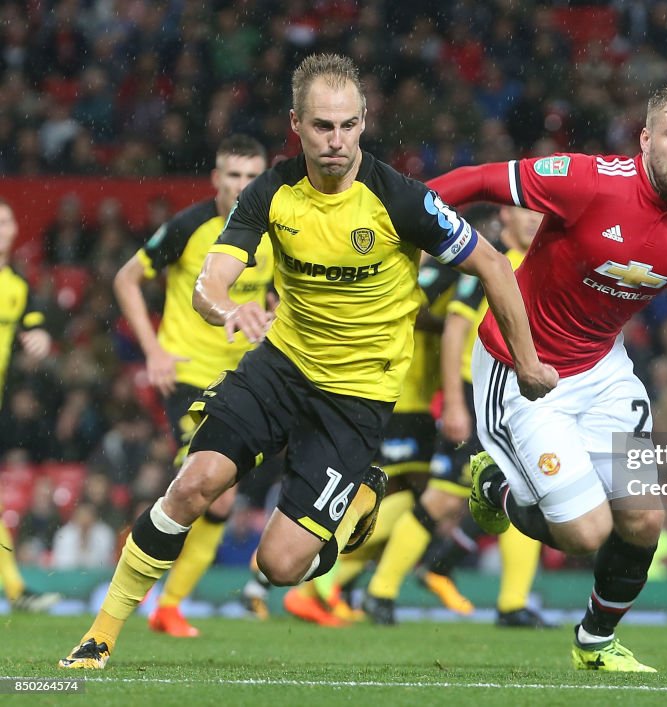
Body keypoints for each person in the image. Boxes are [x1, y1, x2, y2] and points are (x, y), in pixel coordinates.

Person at [59, 52, 555, 670]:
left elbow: (489, 265)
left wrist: (529, 362)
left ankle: (356, 502)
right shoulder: (269, 194)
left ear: (365, 122)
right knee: (195, 483)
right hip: (282, 368)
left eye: (348, 125)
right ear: (296, 124)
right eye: (323, 126)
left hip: (356, 398)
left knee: (279, 565)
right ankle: (100, 634)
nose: (336, 140)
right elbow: (211, 281)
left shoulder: (399, 199)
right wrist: (225, 310)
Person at [430, 79, 667, 671]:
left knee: (642, 517)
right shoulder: (586, 179)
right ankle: (494, 487)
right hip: (523, 370)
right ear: (646, 139)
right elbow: (479, 180)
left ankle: (596, 642)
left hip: (605, 372)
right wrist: (404, 214)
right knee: (586, 534)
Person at [111, 134, 272, 637]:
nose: (242, 186)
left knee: (220, 494)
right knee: (218, 495)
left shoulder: (274, 227)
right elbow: (125, 278)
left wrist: (274, 316)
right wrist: (154, 350)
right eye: (233, 176)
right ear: (215, 179)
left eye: (251, 177)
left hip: (246, 378)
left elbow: (277, 294)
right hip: (191, 377)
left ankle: (164, 600)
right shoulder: (188, 226)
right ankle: (162, 596)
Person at [362, 206, 548, 628]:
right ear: (505, 216)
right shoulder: (491, 262)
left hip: (517, 398)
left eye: (541, 212)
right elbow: (456, 331)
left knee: (527, 492)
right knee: (444, 496)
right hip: (477, 393)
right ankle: (380, 589)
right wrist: (456, 404)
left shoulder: (544, 263)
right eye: (525, 212)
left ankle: (512, 604)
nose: (534, 220)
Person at [271, 255, 461, 627]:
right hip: (401, 399)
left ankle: (331, 581)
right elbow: (412, 312)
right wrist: (451, 327)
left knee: (407, 499)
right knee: (419, 499)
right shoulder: (413, 268)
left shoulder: (420, 265)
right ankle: (325, 576)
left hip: (407, 397)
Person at [0, 197, 61, 613]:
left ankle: (17, 588)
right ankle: (17, 588)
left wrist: (40, 340)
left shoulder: (19, 287)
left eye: (4, 219)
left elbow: (37, 327)